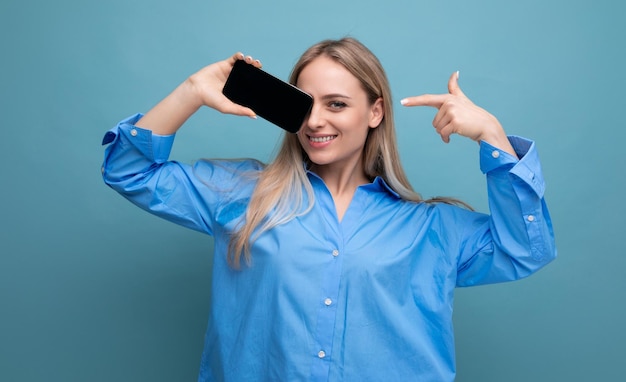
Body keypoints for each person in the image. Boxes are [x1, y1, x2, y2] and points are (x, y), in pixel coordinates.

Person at [101, 37, 556, 382]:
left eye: (336, 104)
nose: (315, 121)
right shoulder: (241, 194)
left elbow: (525, 249)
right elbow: (129, 172)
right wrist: (192, 91)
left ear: (375, 112)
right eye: (305, 103)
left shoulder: (433, 227)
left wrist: (493, 137)